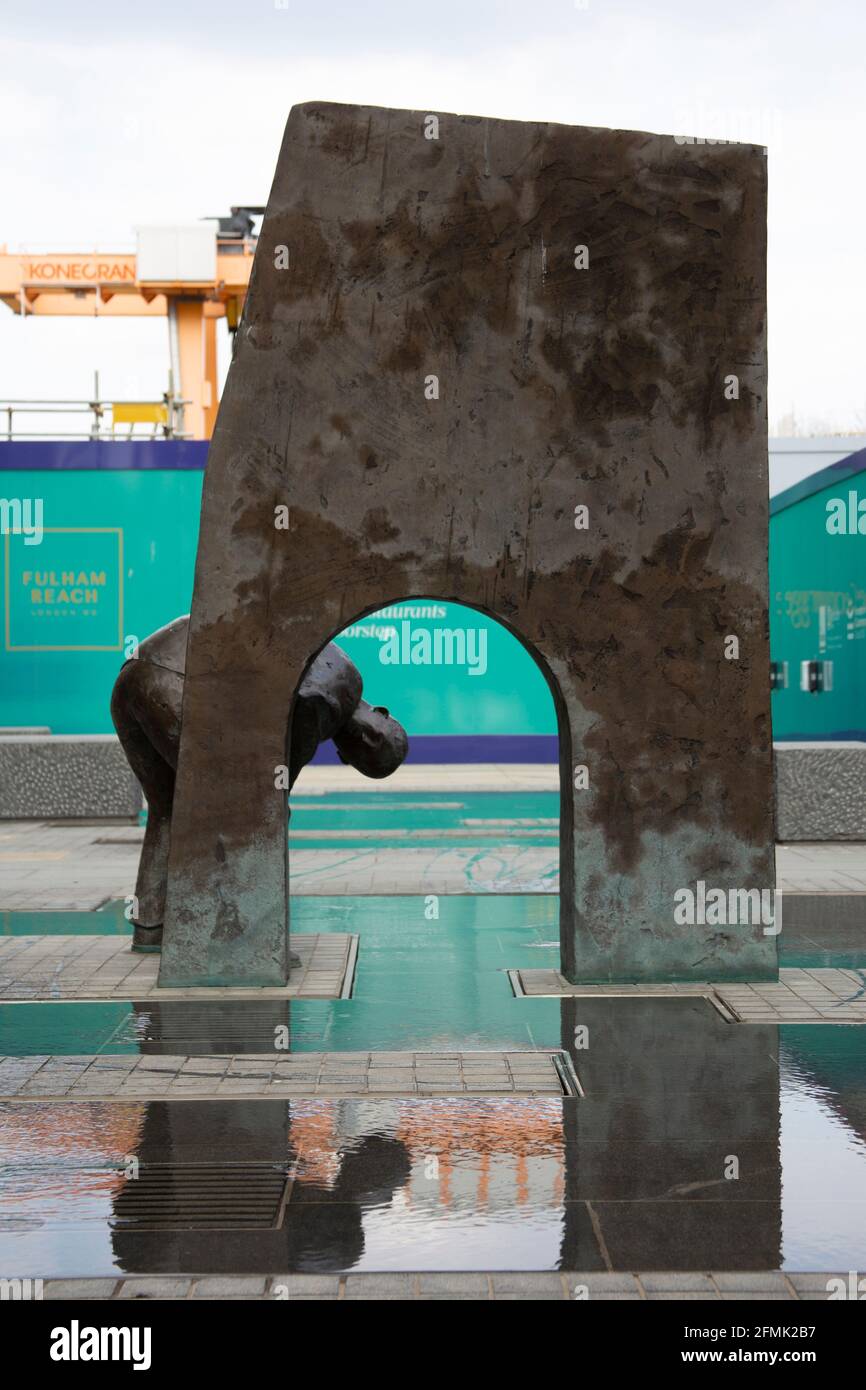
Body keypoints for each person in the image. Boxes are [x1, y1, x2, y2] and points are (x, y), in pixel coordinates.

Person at [110, 615, 408, 952]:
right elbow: (267, 801)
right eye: (369, 745)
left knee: (168, 810)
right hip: (177, 684)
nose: (357, 745)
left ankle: (151, 926)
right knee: (243, 813)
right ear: (377, 720)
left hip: (134, 678)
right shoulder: (326, 704)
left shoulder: (343, 667)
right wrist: (271, 811)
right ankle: (252, 939)